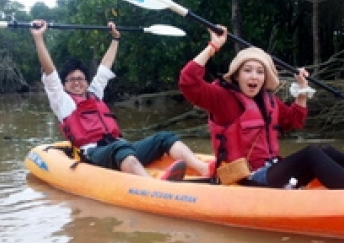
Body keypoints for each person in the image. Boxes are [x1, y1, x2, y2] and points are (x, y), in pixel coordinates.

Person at [179, 26, 344, 189]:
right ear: (236, 75)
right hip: (245, 180)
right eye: (247, 70)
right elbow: (188, 82)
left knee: (323, 149)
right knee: (313, 153)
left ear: (266, 77)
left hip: (272, 173)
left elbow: (293, 121)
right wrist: (213, 46)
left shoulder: (268, 101)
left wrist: (302, 90)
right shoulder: (223, 99)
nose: (254, 76)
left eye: (260, 71)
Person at [30, 19, 213, 181]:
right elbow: (50, 72)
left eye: (81, 78)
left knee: (164, 138)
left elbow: (104, 67)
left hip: (118, 146)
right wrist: (39, 38)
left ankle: (204, 169)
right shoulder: (63, 103)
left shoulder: (94, 93)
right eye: (72, 79)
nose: (77, 82)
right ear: (64, 85)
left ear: (86, 81)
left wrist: (115, 39)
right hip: (94, 154)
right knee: (122, 151)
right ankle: (153, 185)